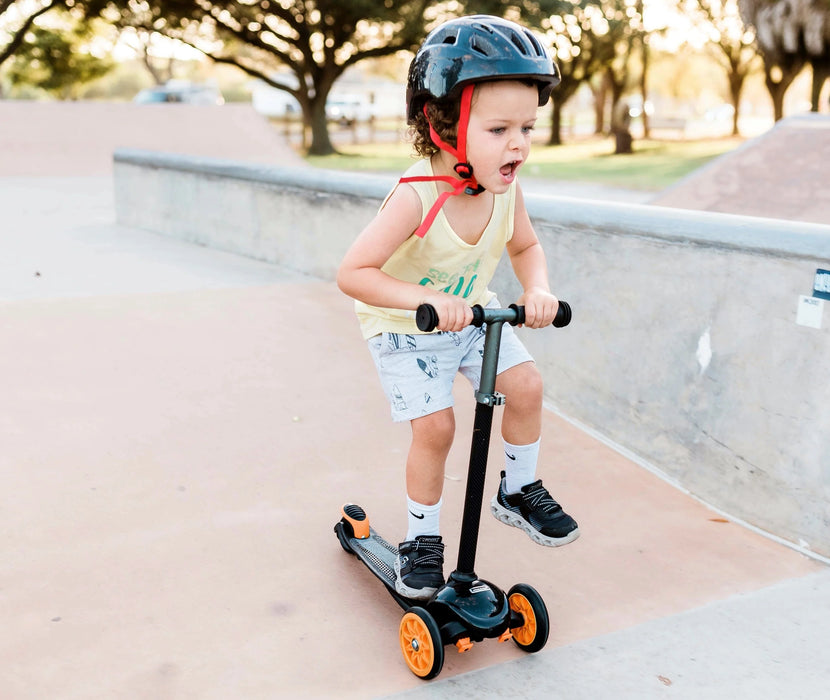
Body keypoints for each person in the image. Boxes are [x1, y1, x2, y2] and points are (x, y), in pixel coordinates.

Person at [337, 15, 579, 601]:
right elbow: (353, 273)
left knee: (526, 386)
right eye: (499, 129)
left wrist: (538, 288)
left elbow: (525, 247)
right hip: (405, 325)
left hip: (472, 315)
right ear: (442, 123)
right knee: (437, 428)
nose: (518, 143)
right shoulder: (416, 194)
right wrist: (427, 299)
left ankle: (517, 490)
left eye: (527, 126)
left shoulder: (506, 191)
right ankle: (423, 542)